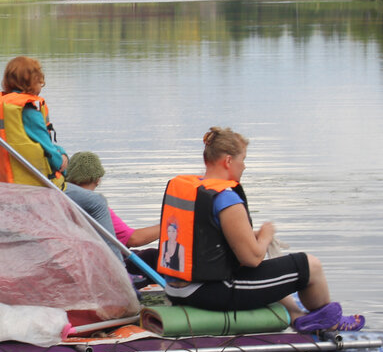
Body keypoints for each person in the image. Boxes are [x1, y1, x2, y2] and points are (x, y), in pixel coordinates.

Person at [155, 127, 364, 332]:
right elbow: (252, 258)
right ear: (228, 161)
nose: (244, 166)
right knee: (311, 266)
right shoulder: (225, 198)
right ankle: (328, 322)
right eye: (243, 159)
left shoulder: (188, 189)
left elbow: (204, 240)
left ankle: (297, 316)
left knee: (271, 271)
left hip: (176, 290)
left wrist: (251, 237)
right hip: (211, 293)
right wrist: (265, 235)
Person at [64, 151, 162, 283]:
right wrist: (169, 226)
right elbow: (133, 239)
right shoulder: (95, 206)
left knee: (136, 254)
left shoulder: (62, 200)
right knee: (153, 257)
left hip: (76, 265)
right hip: (100, 274)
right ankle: (180, 290)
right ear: (98, 179)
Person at [0, 56, 67, 187]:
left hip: (5, 183)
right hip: (38, 187)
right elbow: (52, 156)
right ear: (32, 81)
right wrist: (64, 159)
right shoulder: (29, 112)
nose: (41, 84)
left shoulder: (5, 109)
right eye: (39, 80)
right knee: (93, 198)